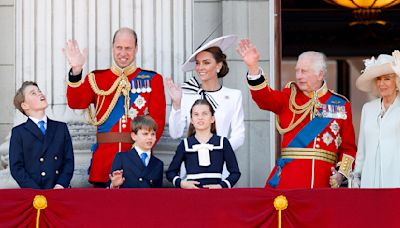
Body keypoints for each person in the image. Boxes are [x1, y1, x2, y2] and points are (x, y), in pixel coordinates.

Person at [237, 39, 357, 189]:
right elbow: (264, 98)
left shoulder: (340, 104)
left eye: (304, 71)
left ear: (320, 74)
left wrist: (341, 175)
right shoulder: (289, 97)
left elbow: (348, 148)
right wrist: (253, 68)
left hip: (324, 183)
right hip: (290, 181)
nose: (299, 76)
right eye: (297, 70)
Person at [63, 27, 166, 187]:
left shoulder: (152, 80)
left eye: (128, 48)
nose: (123, 53)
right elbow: (76, 103)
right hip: (104, 163)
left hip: (138, 164)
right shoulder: (97, 78)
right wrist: (76, 70)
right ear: (113, 48)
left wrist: (139, 154)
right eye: (119, 47)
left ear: (136, 49)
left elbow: (157, 122)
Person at [166, 35, 245, 152]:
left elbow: (239, 136)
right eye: (197, 63)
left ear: (218, 66)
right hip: (190, 164)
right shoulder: (187, 94)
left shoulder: (233, 96)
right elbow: (175, 133)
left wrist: (217, 153)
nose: (200, 67)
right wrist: (177, 105)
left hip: (220, 165)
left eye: (206, 63)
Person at [9, 81, 74, 189]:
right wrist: (35, 191)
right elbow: (16, 168)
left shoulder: (61, 128)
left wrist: (60, 185)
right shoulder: (19, 132)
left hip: (59, 191)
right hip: (33, 194)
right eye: (33, 93)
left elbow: (68, 161)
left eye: (39, 91)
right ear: (25, 105)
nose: (40, 94)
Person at [166, 99, 241, 189]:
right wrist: (182, 183)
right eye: (196, 114)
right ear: (192, 120)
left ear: (212, 119)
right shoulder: (185, 144)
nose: (200, 117)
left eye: (204, 114)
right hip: (192, 197)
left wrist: (221, 186)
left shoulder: (222, 142)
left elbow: (235, 172)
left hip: (216, 196)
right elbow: (171, 172)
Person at [352, 51, 400, 188]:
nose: (381, 83)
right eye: (378, 79)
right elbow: (362, 149)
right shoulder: (368, 108)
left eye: (387, 78)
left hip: (396, 179)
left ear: (397, 81)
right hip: (370, 181)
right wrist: (356, 177)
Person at [109, 115, 163, 188]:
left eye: (153, 134)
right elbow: (111, 188)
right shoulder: (122, 158)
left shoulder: (158, 164)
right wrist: (114, 185)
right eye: (145, 134)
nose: (150, 137)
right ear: (134, 136)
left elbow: (158, 193)